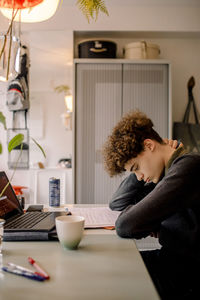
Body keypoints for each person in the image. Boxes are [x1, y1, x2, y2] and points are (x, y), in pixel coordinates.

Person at [102, 110, 200, 300]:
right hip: (172, 262)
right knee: (111, 266)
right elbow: (117, 202)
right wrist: (141, 175)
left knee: (112, 280)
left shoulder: (188, 168)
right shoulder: (165, 175)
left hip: (187, 275)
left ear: (148, 144)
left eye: (136, 168)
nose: (138, 176)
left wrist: (149, 221)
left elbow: (125, 225)